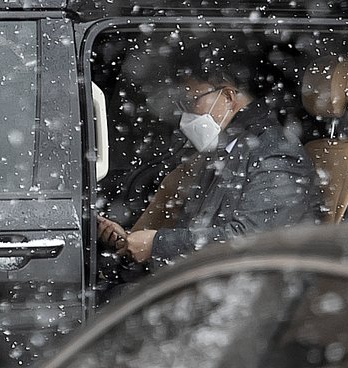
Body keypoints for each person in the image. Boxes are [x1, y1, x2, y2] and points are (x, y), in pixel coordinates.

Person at [98, 47, 320, 265]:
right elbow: (195, 228)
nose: (187, 114)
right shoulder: (222, 149)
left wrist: (158, 244)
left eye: (192, 101)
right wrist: (131, 242)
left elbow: (250, 240)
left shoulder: (277, 153)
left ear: (227, 97)